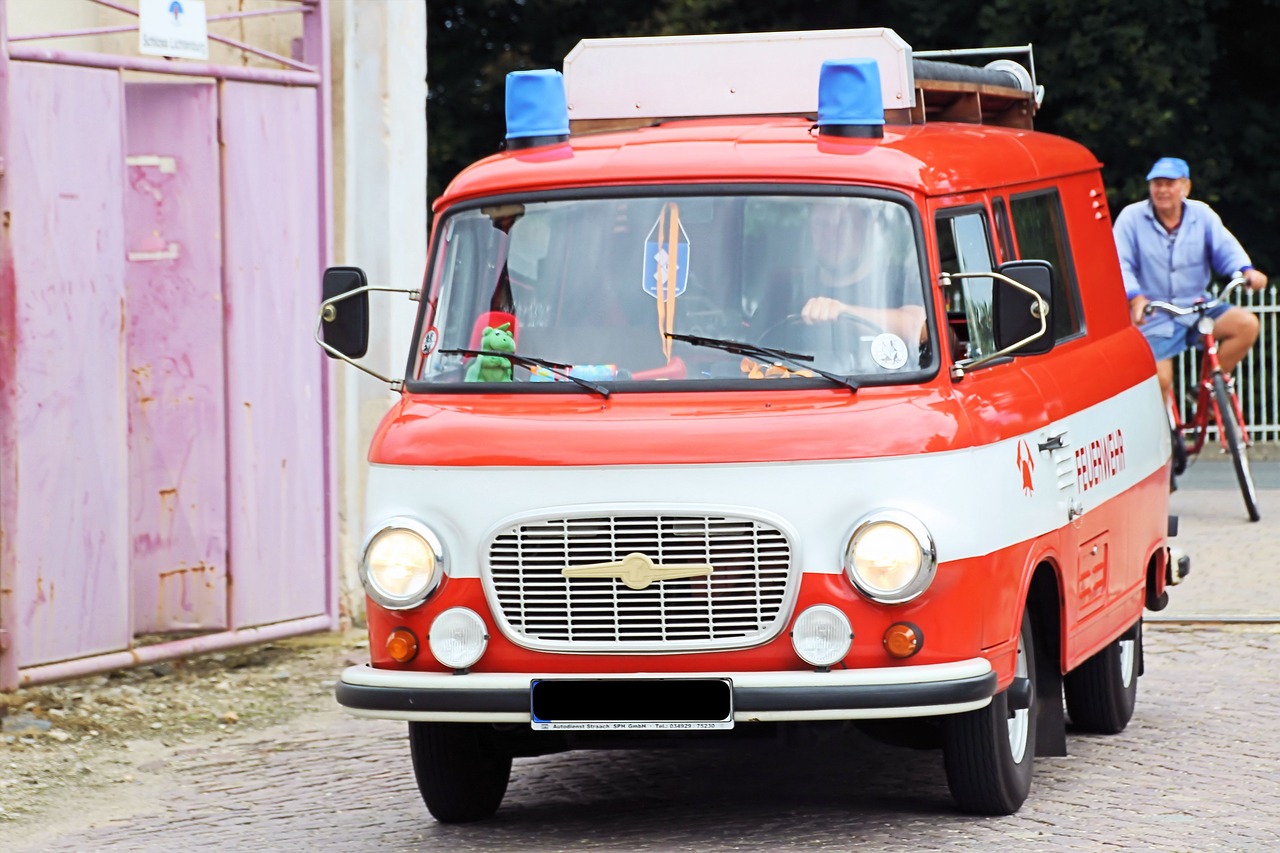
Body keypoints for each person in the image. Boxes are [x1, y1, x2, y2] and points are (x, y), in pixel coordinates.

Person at [1113, 157, 1268, 402]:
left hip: (1197, 307)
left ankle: (1207, 391)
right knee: (1160, 380)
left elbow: (1225, 248)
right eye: (1157, 184)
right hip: (1154, 314)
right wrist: (1135, 298)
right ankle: (1171, 434)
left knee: (1246, 325)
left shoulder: (1202, 214)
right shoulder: (1131, 218)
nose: (1162, 190)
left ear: (1185, 187)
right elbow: (1120, 263)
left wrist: (1246, 270)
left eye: (1169, 183)